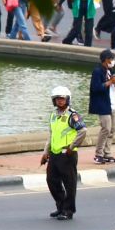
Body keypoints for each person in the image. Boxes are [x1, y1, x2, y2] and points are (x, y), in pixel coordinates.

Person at [40, 86, 85, 221]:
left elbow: (83, 131)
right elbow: (52, 135)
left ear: (67, 99)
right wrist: (45, 152)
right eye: (57, 99)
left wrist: (72, 147)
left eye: (62, 99)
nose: (60, 101)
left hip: (67, 154)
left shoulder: (72, 115)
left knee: (69, 183)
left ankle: (68, 210)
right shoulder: (54, 115)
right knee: (51, 181)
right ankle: (60, 206)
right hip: (54, 153)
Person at [89, 49, 115, 164]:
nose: (113, 61)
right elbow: (96, 88)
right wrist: (110, 82)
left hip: (112, 104)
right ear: (105, 60)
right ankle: (98, 154)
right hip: (102, 105)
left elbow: (111, 89)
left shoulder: (111, 71)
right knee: (106, 129)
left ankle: (107, 154)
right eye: (111, 59)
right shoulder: (97, 71)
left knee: (112, 130)